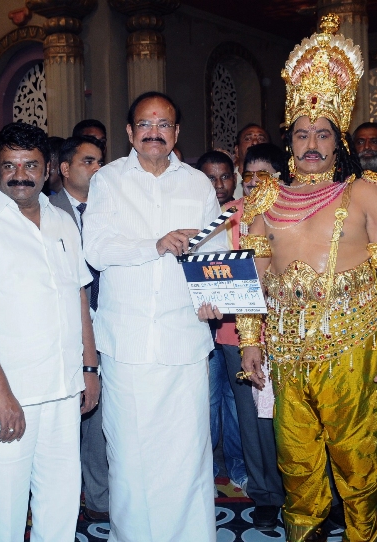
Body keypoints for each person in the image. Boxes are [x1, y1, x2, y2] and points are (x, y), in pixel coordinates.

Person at [237, 16, 377, 541]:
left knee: (357, 459)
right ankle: (304, 532)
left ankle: (362, 532)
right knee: (295, 458)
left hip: (353, 342)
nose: (311, 143)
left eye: (322, 134)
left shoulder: (363, 193)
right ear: (288, 138)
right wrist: (251, 340)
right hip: (288, 347)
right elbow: (255, 272)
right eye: (301, 133)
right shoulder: (267, 198)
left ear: (337, 139)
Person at [83, 91, 227, 542]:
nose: (154, 132)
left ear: (176, 133)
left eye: (164, 124)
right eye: (145, 124)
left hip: (184, 337)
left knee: (187, 454)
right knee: (131, 456)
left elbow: (216, 253)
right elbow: (97, 249)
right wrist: (156, 244)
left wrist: (214, 297)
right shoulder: (107, 180)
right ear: (129, 132)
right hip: (128, 344)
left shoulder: (197, 184)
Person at [0, 122, 99, 541]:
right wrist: (1, 392)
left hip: (63, 388)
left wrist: (90, 369)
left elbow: (79, 299)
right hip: (7, 396)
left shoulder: (62, 221)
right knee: (4, 513)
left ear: (49, 168)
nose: (20, 175)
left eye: (30, 165)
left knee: (60, 504)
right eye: (9, 166)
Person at [205, 145, 288, 530]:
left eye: (264, 174)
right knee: (252, 420)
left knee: (290, 417)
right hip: (235, 332)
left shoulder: (296, 210)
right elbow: (209, 269)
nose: (255, 182)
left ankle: (302, 489)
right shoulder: (226, 216)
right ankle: (266, 494)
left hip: (291, 334)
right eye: (249, 174)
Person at [49, 135, 109, 522]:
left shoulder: (114, 208)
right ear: (65, 169)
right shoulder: (45, 210)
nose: (98, 169)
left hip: (109, 324)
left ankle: (101, 498)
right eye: (88, 161)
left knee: (100, 418)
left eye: (101, 161)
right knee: (65, 424)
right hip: (65, 329)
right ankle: (62, 503)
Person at [195, 151, 249, 498]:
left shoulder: (247, 212)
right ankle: (204, 469)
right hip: (198, 325)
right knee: (206, 398)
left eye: (225, 177)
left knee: (234, 399)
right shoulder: (191, 212)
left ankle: (238, 467)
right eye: (210, 178)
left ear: (235, 177)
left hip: (235, 326)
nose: (218, 185)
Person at [232, 123, 270, 199]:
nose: (255, 142)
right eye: (248, 139)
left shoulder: (277, 183)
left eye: (261, 139)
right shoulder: (227, 183)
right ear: (237, 150)